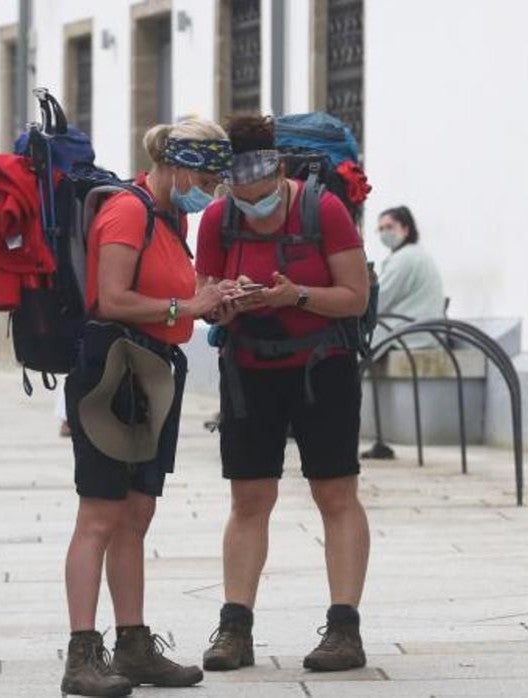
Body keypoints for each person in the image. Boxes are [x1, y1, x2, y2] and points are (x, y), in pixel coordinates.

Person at [59, 116, 230, 697]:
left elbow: (164, 298)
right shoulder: (128, 211)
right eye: (206, 175)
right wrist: (189, 304)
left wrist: (207, 304)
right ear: (176, 165)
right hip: (114, 372)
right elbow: (112, 298)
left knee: (135, 515)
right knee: (99, 514)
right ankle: (82, 655)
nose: (211, 189)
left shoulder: (169, 215)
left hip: (152, 369)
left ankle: (133, 645)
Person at [195, 115, 372, 673]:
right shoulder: (220, 220)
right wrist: (226, 300)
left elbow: (354, 298)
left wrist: (296, 296)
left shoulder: (325, 210)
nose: (255, 207)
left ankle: (344, 628)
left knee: (334, 493)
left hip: (324, 368)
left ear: (278, 175)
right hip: (249, 368)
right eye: (241, 198)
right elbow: (203, 294)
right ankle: (234, 628)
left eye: (263, 196)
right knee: (249, 499)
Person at [376, 205, 445, 329]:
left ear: (406, 229)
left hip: (410, 333)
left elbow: (379, 299)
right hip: (423, 328)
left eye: (389, 227)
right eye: (381, 229)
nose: (384, 233)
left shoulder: (404, 258)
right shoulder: (415, 253)